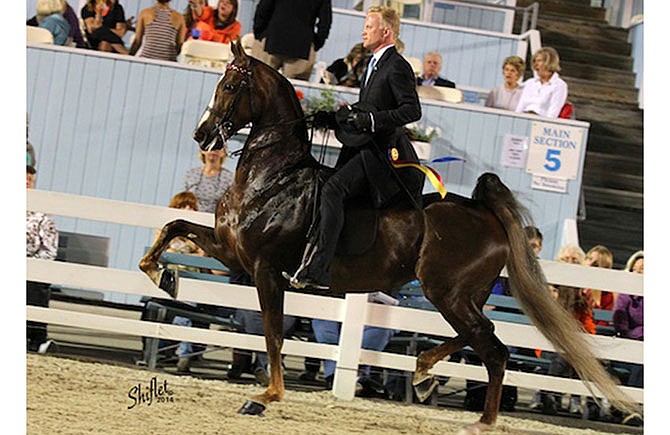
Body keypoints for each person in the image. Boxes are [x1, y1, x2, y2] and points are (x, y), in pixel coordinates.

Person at [288, 6, 424, 290]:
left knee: (333, 189)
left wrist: (372, 120)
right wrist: (334, 118)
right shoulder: (373, 64)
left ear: (385, 32)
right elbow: (366, 110)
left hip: (381, 155)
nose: (363, 31)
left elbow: (412, 111)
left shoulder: (396, 66)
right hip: (365, 149)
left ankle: (322, 269)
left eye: (369, 26)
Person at [312, 292, 397, 392]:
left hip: (376, 309)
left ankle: (359, 375)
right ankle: (334, 376)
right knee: (325, 329)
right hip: (332, 303)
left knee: (379, 330)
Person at [253, 0, 332, 80]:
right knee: (293, 87)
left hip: (272, 39)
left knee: (262, 82)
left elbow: (263, 9)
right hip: (301, 46)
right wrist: (317, 42)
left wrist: (259, 32)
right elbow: (325, 22)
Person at [26, 166, 59, 354]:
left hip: (30, 265)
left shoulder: (42, 216)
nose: (27, 182)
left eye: (30, 179)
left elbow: (49, 250)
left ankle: (36, 339)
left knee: (35, 283)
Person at [611, 250, 643, 426]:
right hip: (628, 346)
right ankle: (633, 409)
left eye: (645, 269)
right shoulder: (624, 297)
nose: (641, 272)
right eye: (637, 269)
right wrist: (640, 333)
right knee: (641, 360)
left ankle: (629, 408)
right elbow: (621, 325)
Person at [515, 47, 568, 118]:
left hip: (540, 121)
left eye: (539, 61)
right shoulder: (530, 82)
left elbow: (553, 111)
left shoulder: (559, 85)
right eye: (534, 61)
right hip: (523, 117)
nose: (536, 64)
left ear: (549, 62)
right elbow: (520, 106)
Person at [183, 148, 234, 214]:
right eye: (210, 148)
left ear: (224, 153)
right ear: (202, 151)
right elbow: (182, 198)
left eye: (217, 148)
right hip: (190, 216)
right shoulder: (191, 174)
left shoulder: (230, 178)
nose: (213, 151)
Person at [582, 245, 615, 325]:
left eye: (595, 264)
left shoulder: (606, 294)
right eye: (589, 259)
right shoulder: (572, 284)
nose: (589, 264)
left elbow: (603, 322)